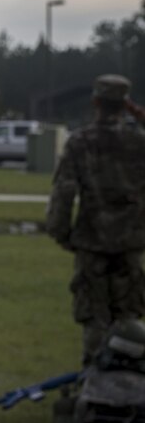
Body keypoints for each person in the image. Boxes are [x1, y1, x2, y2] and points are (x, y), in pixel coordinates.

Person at [46, 74, 145, 367]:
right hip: (131, 242)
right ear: (125, 104)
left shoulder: (81, 142)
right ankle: (128, 381)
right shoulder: (139, 142)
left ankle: (93, 379)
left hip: (92, 241)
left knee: (94, 318)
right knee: (127, 317)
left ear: (95, 102)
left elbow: (64, 192)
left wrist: (61, 232)